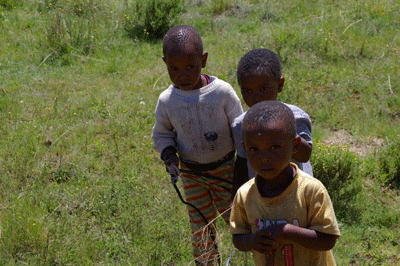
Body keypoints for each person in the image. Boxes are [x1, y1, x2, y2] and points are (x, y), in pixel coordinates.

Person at [151, 25, 243, 265]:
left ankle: (259, 256)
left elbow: (240, 130)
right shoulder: (167, 101)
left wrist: (244, 169)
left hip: (226, 171)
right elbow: (162, 134)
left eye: (190, 67)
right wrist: (169, 154)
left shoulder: (221, 92)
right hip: (191, 175)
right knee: (200, 227)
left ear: (203, 61)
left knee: (239, 221)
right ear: (165, 64)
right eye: (175, 69)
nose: (183, 75)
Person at [230, 101, 340, 265]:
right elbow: (238, 237)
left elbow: (328, 239)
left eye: (274, 147)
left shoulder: (310, 190)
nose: (264, 157)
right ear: (245, 149)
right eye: (254, 149)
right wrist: (252, 241)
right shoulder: (245, 194)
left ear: (295, 145)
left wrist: (287, 231)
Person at [231, 48, 313, 200]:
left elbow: (305, 154)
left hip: (297, 194)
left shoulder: (295, 117)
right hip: (261, 195)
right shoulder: (242, 124)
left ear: (280, 85)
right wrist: (235, 197)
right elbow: (241, 162)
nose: (257, 97)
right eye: (248, 91)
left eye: (264, 88)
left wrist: (285, 131)